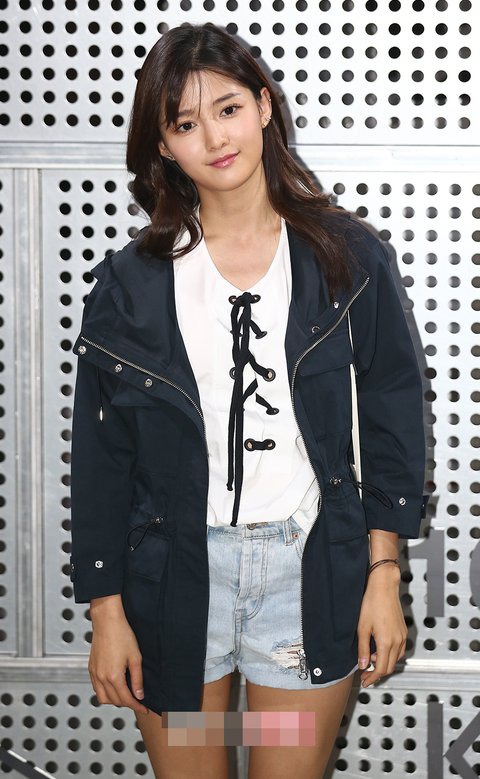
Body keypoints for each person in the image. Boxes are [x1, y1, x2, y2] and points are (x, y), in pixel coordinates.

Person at [69, 22, 425, 779]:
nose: (215, 138)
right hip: (173, 585)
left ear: (264, 107)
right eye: (185, 124)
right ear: (164, 147)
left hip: (308, 580)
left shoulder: (346, 258)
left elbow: (391, 415)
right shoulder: (132, 284)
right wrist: (105, 609)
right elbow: (100, 459)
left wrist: (384, 574)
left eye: (228, 109)